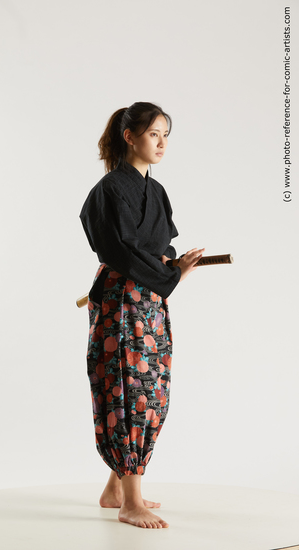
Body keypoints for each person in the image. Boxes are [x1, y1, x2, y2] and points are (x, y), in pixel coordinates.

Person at [79, 102, 204, 529]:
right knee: (127, 386)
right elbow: (119, 252)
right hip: (121, 302)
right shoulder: (110, 189)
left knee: (151, 389)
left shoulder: (157, 190)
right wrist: (169, 274)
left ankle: (116, 488)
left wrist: (174, 262)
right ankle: (131, 503)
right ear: (129, 136)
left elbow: (158, 247)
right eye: (154, 134)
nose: (162, 142)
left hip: (149, 301)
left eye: (166, 135)